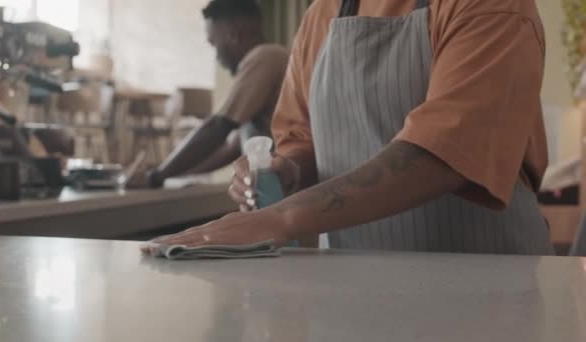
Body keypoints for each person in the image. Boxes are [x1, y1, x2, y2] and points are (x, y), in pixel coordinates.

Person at [144, 0, 554, 255]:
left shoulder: (493, 6)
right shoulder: (323, 13)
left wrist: (278, 219)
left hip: (486, 285)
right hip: (352, 282)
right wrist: (285, 169)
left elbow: (443, 154)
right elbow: (303, 139)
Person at [140, 0, 289, 188]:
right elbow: (231, 148)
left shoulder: (265, 57)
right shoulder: (272, 60)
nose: (216, 55)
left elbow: (218, 126)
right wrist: (175, 174)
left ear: (233, 35)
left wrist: (155, 176)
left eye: (214, 43)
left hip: (285, 181)